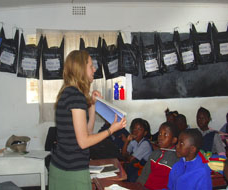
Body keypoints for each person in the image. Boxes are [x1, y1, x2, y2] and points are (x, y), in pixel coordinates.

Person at [49, 50, 127, 190]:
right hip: (72, 172)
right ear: (80, 69)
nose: (94, 69)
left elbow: (88, 131)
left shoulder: (69, 92)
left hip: (60, 167)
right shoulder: (75, 96)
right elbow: (84, 142)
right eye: (91, 66)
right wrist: (111, 130)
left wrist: (92, 104)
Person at [136, 122, 180, 190]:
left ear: (174, 140)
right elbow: (144, 175)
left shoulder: (176, 158)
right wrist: (137, 186)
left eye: (165, 135)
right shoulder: (155, 154)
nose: (160, 137)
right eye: (160, 134)